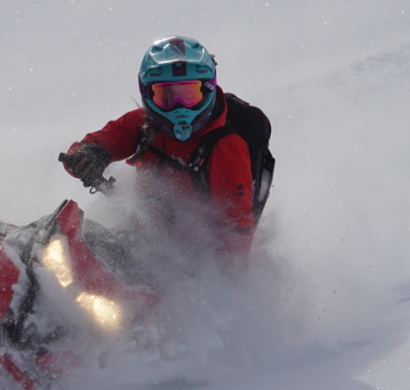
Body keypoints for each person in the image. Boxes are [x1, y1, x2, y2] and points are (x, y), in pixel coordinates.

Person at [60, 36, 274, 263]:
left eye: (190, 94)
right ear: (148, 94)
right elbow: (90, 145)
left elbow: (234, 230)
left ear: (208, 89)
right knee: (66, 242)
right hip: (141, 239)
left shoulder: (225, 146)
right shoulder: (142, 124)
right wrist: (86, 157)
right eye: (167, 97)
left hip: (191, 263)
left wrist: (219, 286)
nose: (179, 108)